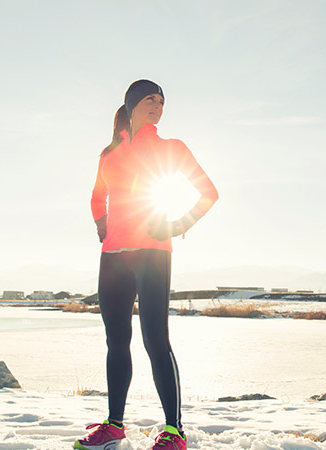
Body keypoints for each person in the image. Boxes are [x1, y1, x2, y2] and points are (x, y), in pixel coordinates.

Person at [74, 79, 219, 450]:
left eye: (161, 101)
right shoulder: (109, 154)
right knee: (116, 340)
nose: (158, 105)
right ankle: (114, 426)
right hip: (113, 256)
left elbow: (208, 193)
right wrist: (101, 224)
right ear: (133, 105)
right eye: (150, 100)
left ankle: (174, 431)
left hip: (153, 253)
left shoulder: (170, 148)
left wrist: (178, 224)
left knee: (156, 339)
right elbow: (96, 196)